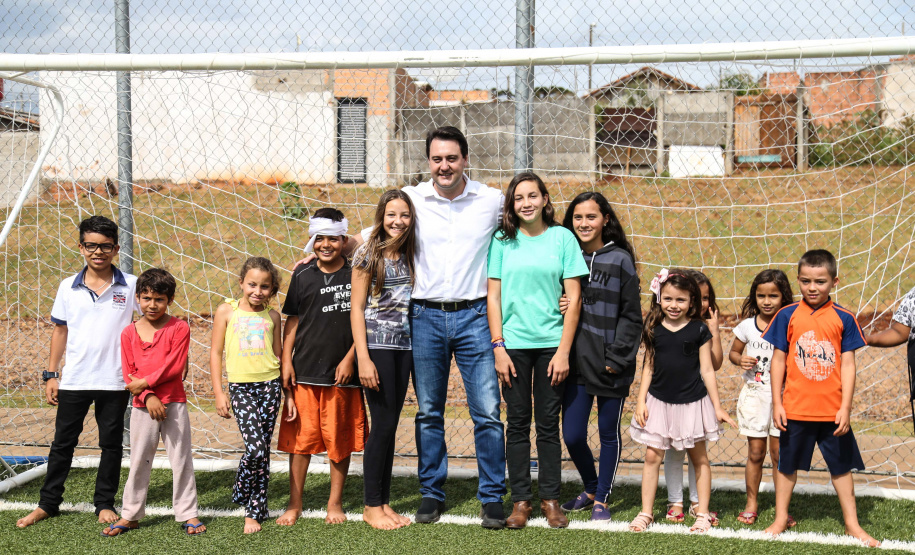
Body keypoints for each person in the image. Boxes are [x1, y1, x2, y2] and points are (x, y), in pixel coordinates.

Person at [17, 215, 138, 529]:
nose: (98, 252)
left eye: (105, 246)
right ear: (81, 247)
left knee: (111, 445)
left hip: (115, 380)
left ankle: (104, 503)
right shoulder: (67, 287)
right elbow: (60, 331)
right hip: (75, 379)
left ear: (116, 248)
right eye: (91, 245)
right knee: (63, 443)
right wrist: (51, 374)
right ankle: (48, 503)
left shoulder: (132, 285)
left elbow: (150, 321)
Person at [486, 173, 587, 529]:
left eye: (533, 195)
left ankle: (550, 500)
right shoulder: (502, 240)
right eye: (519, 198)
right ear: (511, 205)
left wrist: (563, 352)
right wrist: (498, 346)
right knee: (516, 423)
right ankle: (520, 502)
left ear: (545, 199)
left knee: (547, 425)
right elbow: (493, 297)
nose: (526, 203)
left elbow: (574, 299)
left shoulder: (563, 238)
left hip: (551, 347)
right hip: (512, 346)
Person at [762, 249, 880, 547]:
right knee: (786, 467)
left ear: (834, 282)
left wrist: (845, 408)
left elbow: (849, 365)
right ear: (798, 280)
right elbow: (778, 360)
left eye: (820, 281)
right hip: (794, 410)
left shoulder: (844, 318)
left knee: (841, 468)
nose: (812, 287)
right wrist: (777, 403)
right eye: (805, 281)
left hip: (833, 412)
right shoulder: (786, 315)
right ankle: (780, 519)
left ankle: (852, 524)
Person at [275, 209, 366, 527]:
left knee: (339, 441)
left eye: (333, 239)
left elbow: (365, 320)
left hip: (342, 375)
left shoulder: (357, 272)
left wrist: (351, 358)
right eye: (320, 238)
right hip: (305, 372)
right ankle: (294, 503)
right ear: (313, 239)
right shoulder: (302, 274)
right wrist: (286, 361)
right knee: (300, 442)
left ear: (344, 240)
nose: (326, 244)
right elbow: (293, 320)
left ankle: (334, 502)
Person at [628, 270, 735, 534]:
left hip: (693, 404)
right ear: (659, 299)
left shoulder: (699, 329)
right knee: (652, 456)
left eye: (681, 300)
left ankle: (703, 514)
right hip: (659, 403)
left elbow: (707, 370)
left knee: (699, 458)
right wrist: (641, 401)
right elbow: (648, 367)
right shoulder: (653, 328)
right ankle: (646, 512)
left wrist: (717, 406)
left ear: (691, 302)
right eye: (668, 299)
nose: (674, 305)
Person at [559, 192, 642, 521]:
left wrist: (617, 358)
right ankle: (591, 486)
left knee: (608, 432)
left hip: (610, 363)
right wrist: (560, 302)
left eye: (591, 217)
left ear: (605, 219)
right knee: (572, 434)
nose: (584, 223)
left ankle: (602, 499)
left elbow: (632, 317)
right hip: (575, 362)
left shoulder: (620, 259)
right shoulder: (567, 256)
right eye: (578, 217)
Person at [102, 268, 204, 536]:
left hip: (174, 403)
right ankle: (131, 514)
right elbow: (129, 373)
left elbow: (175, 366)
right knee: (139, 459)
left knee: (181, 458)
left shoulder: (179, 327)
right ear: (137, 298)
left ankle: (188, 512)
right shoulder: (128, 333)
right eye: (146, 298)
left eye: (159, 299)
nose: (152, 304)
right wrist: (148, 396)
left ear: (170, 300)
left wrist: (146, 384)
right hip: (142, 406)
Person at [351, 191, 416, 530]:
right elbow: (356, 309)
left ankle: (384, 501)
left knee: (390, 425)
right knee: (382, 425)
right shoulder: (367, 253)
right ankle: (370, 506)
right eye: (392, 214)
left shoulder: (411, 252)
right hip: (377, 348)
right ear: (381, 216)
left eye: (404, 215)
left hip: (405, 348)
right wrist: (363, 358)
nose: (397, 221)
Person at [210, 257, 285, 534]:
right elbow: (216, 352)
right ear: (242, 283)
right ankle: (242, 489)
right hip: (241, 388)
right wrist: (219, 392)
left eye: (265, 286)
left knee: (263, 452)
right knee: (254, 448)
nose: (258, 291)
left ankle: (255, 511)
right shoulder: (226, 311)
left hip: (270, 387)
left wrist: (287, 393)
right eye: (252, 284)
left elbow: (278, 355)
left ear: (272, 289)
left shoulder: (273, 317)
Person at [730, 269, 794, 526]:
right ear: (754, 297)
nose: (766, 301)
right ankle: (751, 504)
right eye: (761, 296)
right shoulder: (747, 326)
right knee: (756, 453)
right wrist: (740, 360)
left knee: (779, 454)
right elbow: (733, 353)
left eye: (773, 296)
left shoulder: (791, 323)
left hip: (784, 397)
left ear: (783, 297)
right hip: (755, 396)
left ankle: (782, 509)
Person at [663, 269, 723, 524]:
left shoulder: (702, 328)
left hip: (697, 400)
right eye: (698, 296)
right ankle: (675, 500)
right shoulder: (668, 324)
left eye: (706, 297)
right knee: (674, 451)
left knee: (697, 453)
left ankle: (698, 502)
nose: (702, 302)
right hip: (670, 399)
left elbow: (715, 364)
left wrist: (715, 331)